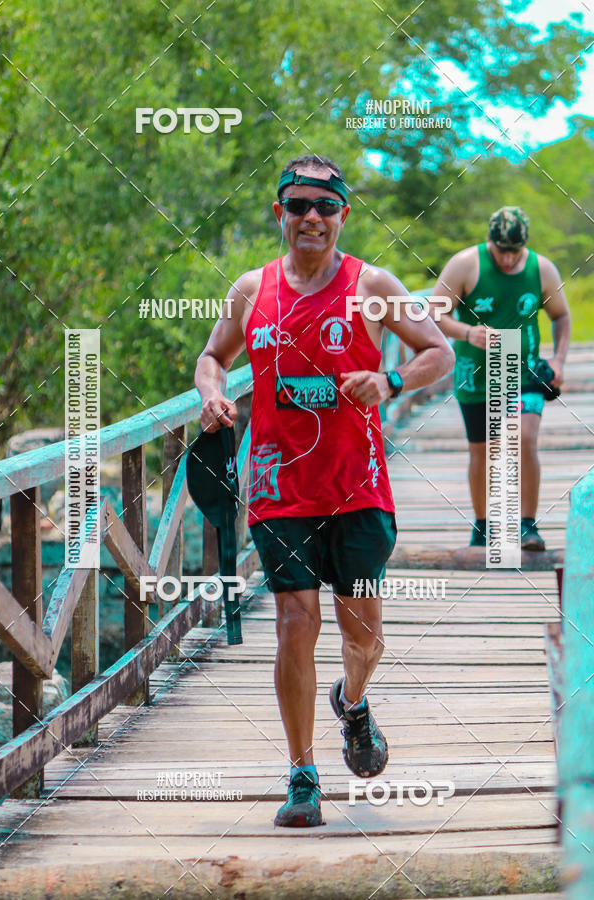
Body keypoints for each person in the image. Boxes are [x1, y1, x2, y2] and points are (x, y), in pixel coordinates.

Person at [195, 154, 454, 827]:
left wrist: (392, 382)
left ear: (344, 214)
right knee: (293, 623)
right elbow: (211, 355)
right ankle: (302, 774)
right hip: (279, 488)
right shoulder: (252, 290)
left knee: (363, 634)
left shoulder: (373, 284)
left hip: (358, 489)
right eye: (299, 205)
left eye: (326, 207)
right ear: (278, 212)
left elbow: (440, 353)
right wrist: (213, 394)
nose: (312, 217)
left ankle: (355, 700)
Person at [430, 206, 570, 551]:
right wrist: (466, 332)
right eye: (501, 251)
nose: (507, 260)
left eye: (514, 252)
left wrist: (559, 360)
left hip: (526, 371)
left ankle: (526, 525)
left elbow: (561, 315)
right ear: (489, 241)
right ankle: (483, 526)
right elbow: (434, 312)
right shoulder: (466, 264)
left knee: (524, 438)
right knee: (482, 452)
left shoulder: (542, 270)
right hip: (477, 375)